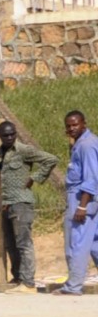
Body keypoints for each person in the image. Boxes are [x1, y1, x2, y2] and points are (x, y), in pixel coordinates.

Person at [0, 120, 59, 292]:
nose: (9, 137)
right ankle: (18, 277)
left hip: (22, 203)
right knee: (10, 243)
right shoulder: (1, 151)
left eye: (12, 134)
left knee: (23, 243)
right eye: (5, 135)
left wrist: (34, 178)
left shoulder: (23, 150)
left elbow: (51, 159)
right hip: (7, 204)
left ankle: (28, 282)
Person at [63, 110, 97, 296]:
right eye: (68, 126)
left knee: (76, 242)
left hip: (82, 198)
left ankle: (73, 286)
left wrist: (82, 206)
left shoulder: (87, 145)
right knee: (94, 243)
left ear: (84, 123)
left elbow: (91, 178)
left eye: (75, 125)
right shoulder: (79, 144)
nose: (71, 128)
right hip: (87, 198)